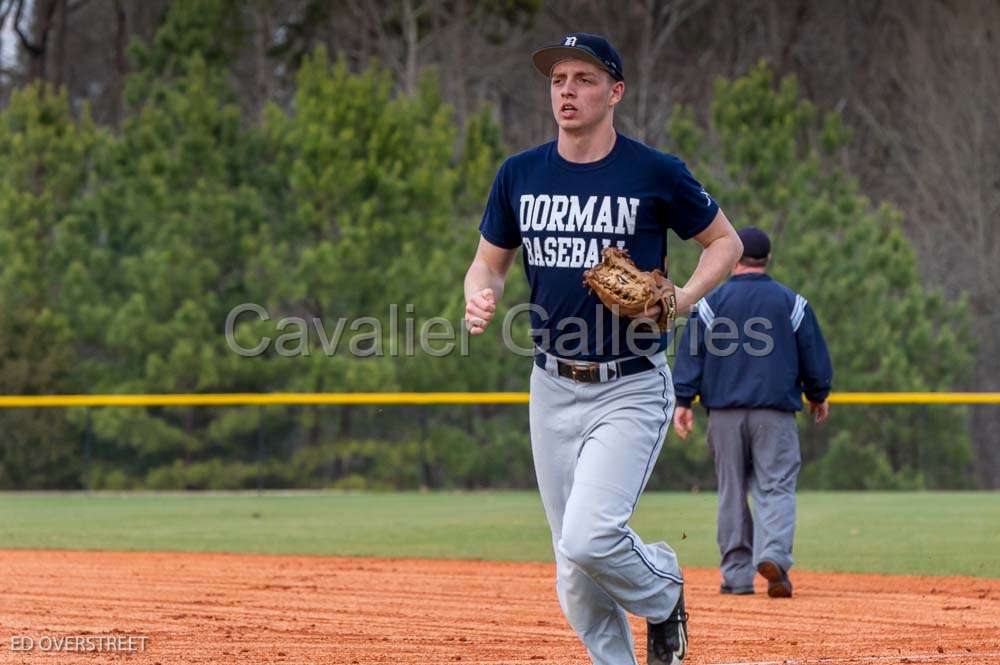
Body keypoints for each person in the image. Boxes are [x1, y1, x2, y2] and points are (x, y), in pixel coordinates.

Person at [463, 32, 742, 665]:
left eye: (584, 79)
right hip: (551, 385)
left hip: (631, 382)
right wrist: (479, 294)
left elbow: (722, 243)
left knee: (590, 539)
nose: (567, 90)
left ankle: (664, 591)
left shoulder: (654, 172)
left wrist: (683, 297)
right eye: (559, 78)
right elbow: (487, 265)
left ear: (615, 92)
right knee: (573, 570)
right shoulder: (520, 173)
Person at [671, 227, 833, 598]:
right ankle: (773, 554)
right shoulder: (792, 303)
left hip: (724, 414)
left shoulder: (712, 304)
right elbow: (812, 354)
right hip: (773, 414)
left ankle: (737, 575)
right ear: (768, 260)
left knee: (731, 491)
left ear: (733, 260)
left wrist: (683, 400)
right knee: (775, 487)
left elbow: (691, 352)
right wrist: (817, 393)